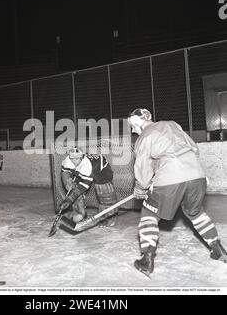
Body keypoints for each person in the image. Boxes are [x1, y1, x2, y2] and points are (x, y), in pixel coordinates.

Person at [128, 108, 227, 277]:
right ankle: (218, 249)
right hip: (197, 175)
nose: (132, 130)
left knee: (149, 214)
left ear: (137, 122)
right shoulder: (172, 124)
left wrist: (141, 188)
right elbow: (194, 148)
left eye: (132, 126)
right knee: (195, 213)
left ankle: (146, 259)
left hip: (171, 178)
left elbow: (142, 170)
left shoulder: (143, 137)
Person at [60, 146, 118, 227]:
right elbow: (65, 172)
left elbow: (83, 187)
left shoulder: (86, 165)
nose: (74, 161)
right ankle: (79, 214)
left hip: (101, 171)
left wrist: (69, 199)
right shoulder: (67, 161)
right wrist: (68, 182)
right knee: (73, 189)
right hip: (82, 172)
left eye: (77, 159)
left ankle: (108, 218)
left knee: (104, 194)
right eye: (72, 158)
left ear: (82, 157)